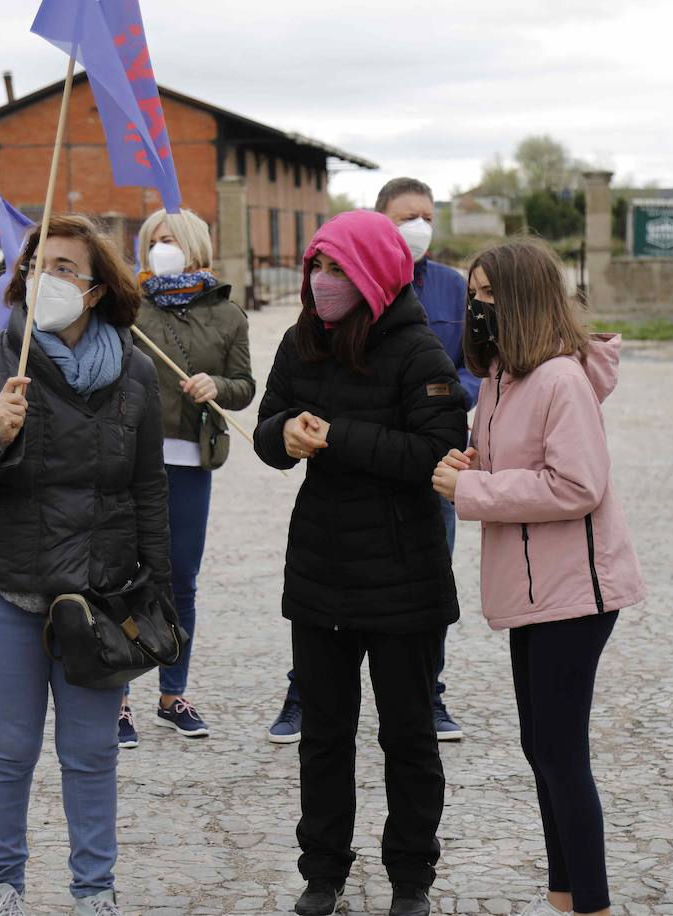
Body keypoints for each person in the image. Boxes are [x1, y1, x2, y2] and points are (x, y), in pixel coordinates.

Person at [0, 214, 167, 916]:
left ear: (95, 291)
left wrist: (162, 598)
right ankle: (2, 884)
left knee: (91, 751)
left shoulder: (137, 373)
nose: (46, 278)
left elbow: (149, 489)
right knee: (8, 748)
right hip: (0, 588)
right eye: (38, 264)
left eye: (65, 267)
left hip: (97, 595)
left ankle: (95, 890)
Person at [255, 209, 467, 916]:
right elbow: (265, 428)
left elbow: (434, 456)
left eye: (338, 269)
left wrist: (339, 437)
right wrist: (283, 435)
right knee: (324, 732)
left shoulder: (420, 353)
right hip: (321, 566)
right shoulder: (301, 340)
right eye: (317, 266)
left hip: (404, 572)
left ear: (373, 275)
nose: (322, 281)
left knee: (407, 732)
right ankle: (323, 874)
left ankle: (412, 879)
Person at [431, 240, 646, 916]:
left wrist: (473, 491)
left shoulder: (559, 378)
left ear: (525, 298)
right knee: (540, 746)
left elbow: (577, 485)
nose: (477, 305)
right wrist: (471, 463)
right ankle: (565, 894)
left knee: (559, 750)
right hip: (534, 589)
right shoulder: (502, 377)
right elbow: (509, 462)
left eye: (491, 293)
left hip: (575, 593)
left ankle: (592, 904)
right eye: (474, 293)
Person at [118, 208, 254, 747]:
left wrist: (216, 386)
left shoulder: (228, 314)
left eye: (169, 239)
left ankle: (173, 694)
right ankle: (118, 699)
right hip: (132, 460)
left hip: (192, 462)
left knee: (180, 578)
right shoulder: (128, 307)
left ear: (194, 245)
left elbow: (245, 385)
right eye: (153, 241)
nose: (160, 248)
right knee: (126, 576)